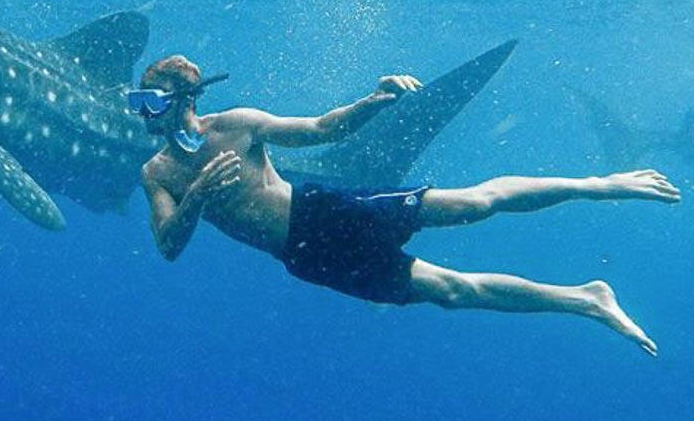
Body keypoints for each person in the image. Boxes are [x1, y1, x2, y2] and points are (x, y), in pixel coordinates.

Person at [132, 55, 681, 356]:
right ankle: (586, 299)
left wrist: (372, 101)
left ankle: (602, 182)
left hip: (326, 211)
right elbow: (168, 247)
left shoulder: (239, 126)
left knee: (474, 203)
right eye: (137, 103)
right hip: (306, 258)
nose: (143, 114)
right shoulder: (157, 173)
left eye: (151, 102)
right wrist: (198, 196)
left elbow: (322, 129)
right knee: (452, 293)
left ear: (185, 99)